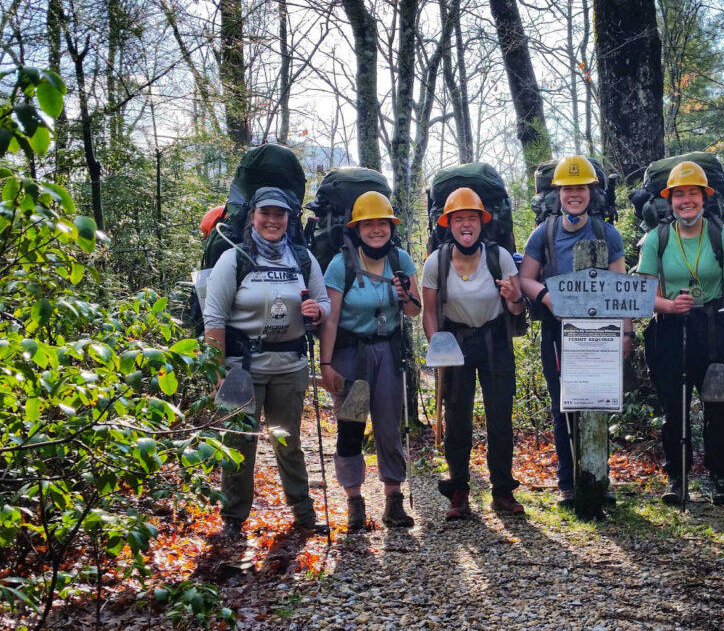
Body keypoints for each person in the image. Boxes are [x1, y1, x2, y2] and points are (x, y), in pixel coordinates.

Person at [203, 186, 331, 540]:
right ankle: (233, 519)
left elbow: (324, 303)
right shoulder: (235, 259)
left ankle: (303, 513)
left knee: (288, 440)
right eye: (266, 213)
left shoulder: (302, 259)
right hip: (241, 367)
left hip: (290, 365)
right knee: (240, 441)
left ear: (288, 219)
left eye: (280, 214)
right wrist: (217, 374)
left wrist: (317, 311)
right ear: (253, 216)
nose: (273, 220)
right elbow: (213, 319)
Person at [518, 155, 631, 507]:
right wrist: (547, 297)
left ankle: (597, 476)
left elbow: (620, 285)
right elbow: (525, 279)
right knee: (561, 406)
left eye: (580, 187)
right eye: (568, 189)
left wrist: (626, 333)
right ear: (558, 194)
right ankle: (567, 482)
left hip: (600, 330)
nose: (574, 195)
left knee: (597, 401)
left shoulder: (606, 233)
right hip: (556, 330)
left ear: (591, 192)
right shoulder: (544, 233)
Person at [636, 161, 724, 507]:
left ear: (705, 197)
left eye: (693, 193)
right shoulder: (656, 239)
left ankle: (720, 479)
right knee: (674, 408)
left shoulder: (723, 236)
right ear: (668, 200)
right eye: (679, 194)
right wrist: (668, 307)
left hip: (714, 328)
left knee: (717, 406)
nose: (686, 200)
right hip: (669, 330)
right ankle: (677, 477)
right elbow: (642, 297)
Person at [319, 191, 421, 531]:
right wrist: (326, 364)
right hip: (350, 355)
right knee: (351, 428)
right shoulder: (341, 264)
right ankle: (355, 503)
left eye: (383, 223)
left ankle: (394, 500)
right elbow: (330, 319)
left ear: (391, 227)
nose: (377, 229)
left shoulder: (401, 260)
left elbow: (413, 311)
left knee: (389, 427)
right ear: (357, 228)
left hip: (388, 352)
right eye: (369, 224)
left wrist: (406, 293)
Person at [421, 187, 526, 519]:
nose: (465, 224)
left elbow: (517, 307)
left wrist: (513, 297)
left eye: (472, 218)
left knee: (499, 418)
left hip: (495, 341)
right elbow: (428, 311)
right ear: (448, 225)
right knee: (457, 420)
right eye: (458, 219)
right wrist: (438, 345)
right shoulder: (436, 262)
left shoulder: (500, 257)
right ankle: (459, 490)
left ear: (482, 223)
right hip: (455, 342)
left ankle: (502, 492)